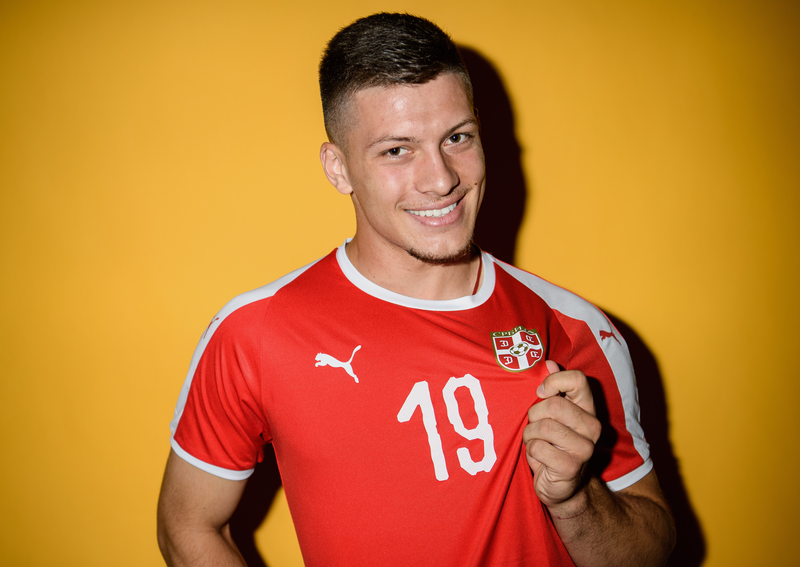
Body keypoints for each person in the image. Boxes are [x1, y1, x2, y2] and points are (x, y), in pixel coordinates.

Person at [157, 12, 675, 567]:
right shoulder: (255, 333)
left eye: (457, 138)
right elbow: (187, 525)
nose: (442, 178)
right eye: (397, 150)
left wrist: (573, 499)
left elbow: (651, 549)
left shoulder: (573, 328)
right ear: (338, 169)